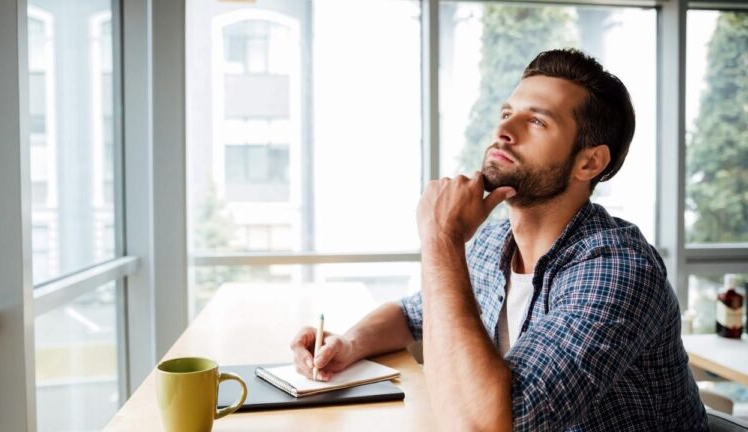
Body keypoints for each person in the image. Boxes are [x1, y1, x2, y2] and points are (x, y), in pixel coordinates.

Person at [290, 49, 708, 431]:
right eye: (507, 112)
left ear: (589, 162)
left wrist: (441, 238)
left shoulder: (616, 269)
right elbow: (412, 315)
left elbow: (487, 425)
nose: (504, 129)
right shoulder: (495, 241)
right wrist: (348, 344)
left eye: (537, 121)